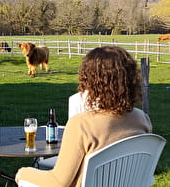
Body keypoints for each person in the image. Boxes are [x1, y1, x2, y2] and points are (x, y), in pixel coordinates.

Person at [15, 46, 152, 187]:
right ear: (130, 79)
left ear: (89, 80)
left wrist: (24, 172)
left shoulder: (81, 124)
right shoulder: (141, 119)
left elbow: (58, 181)